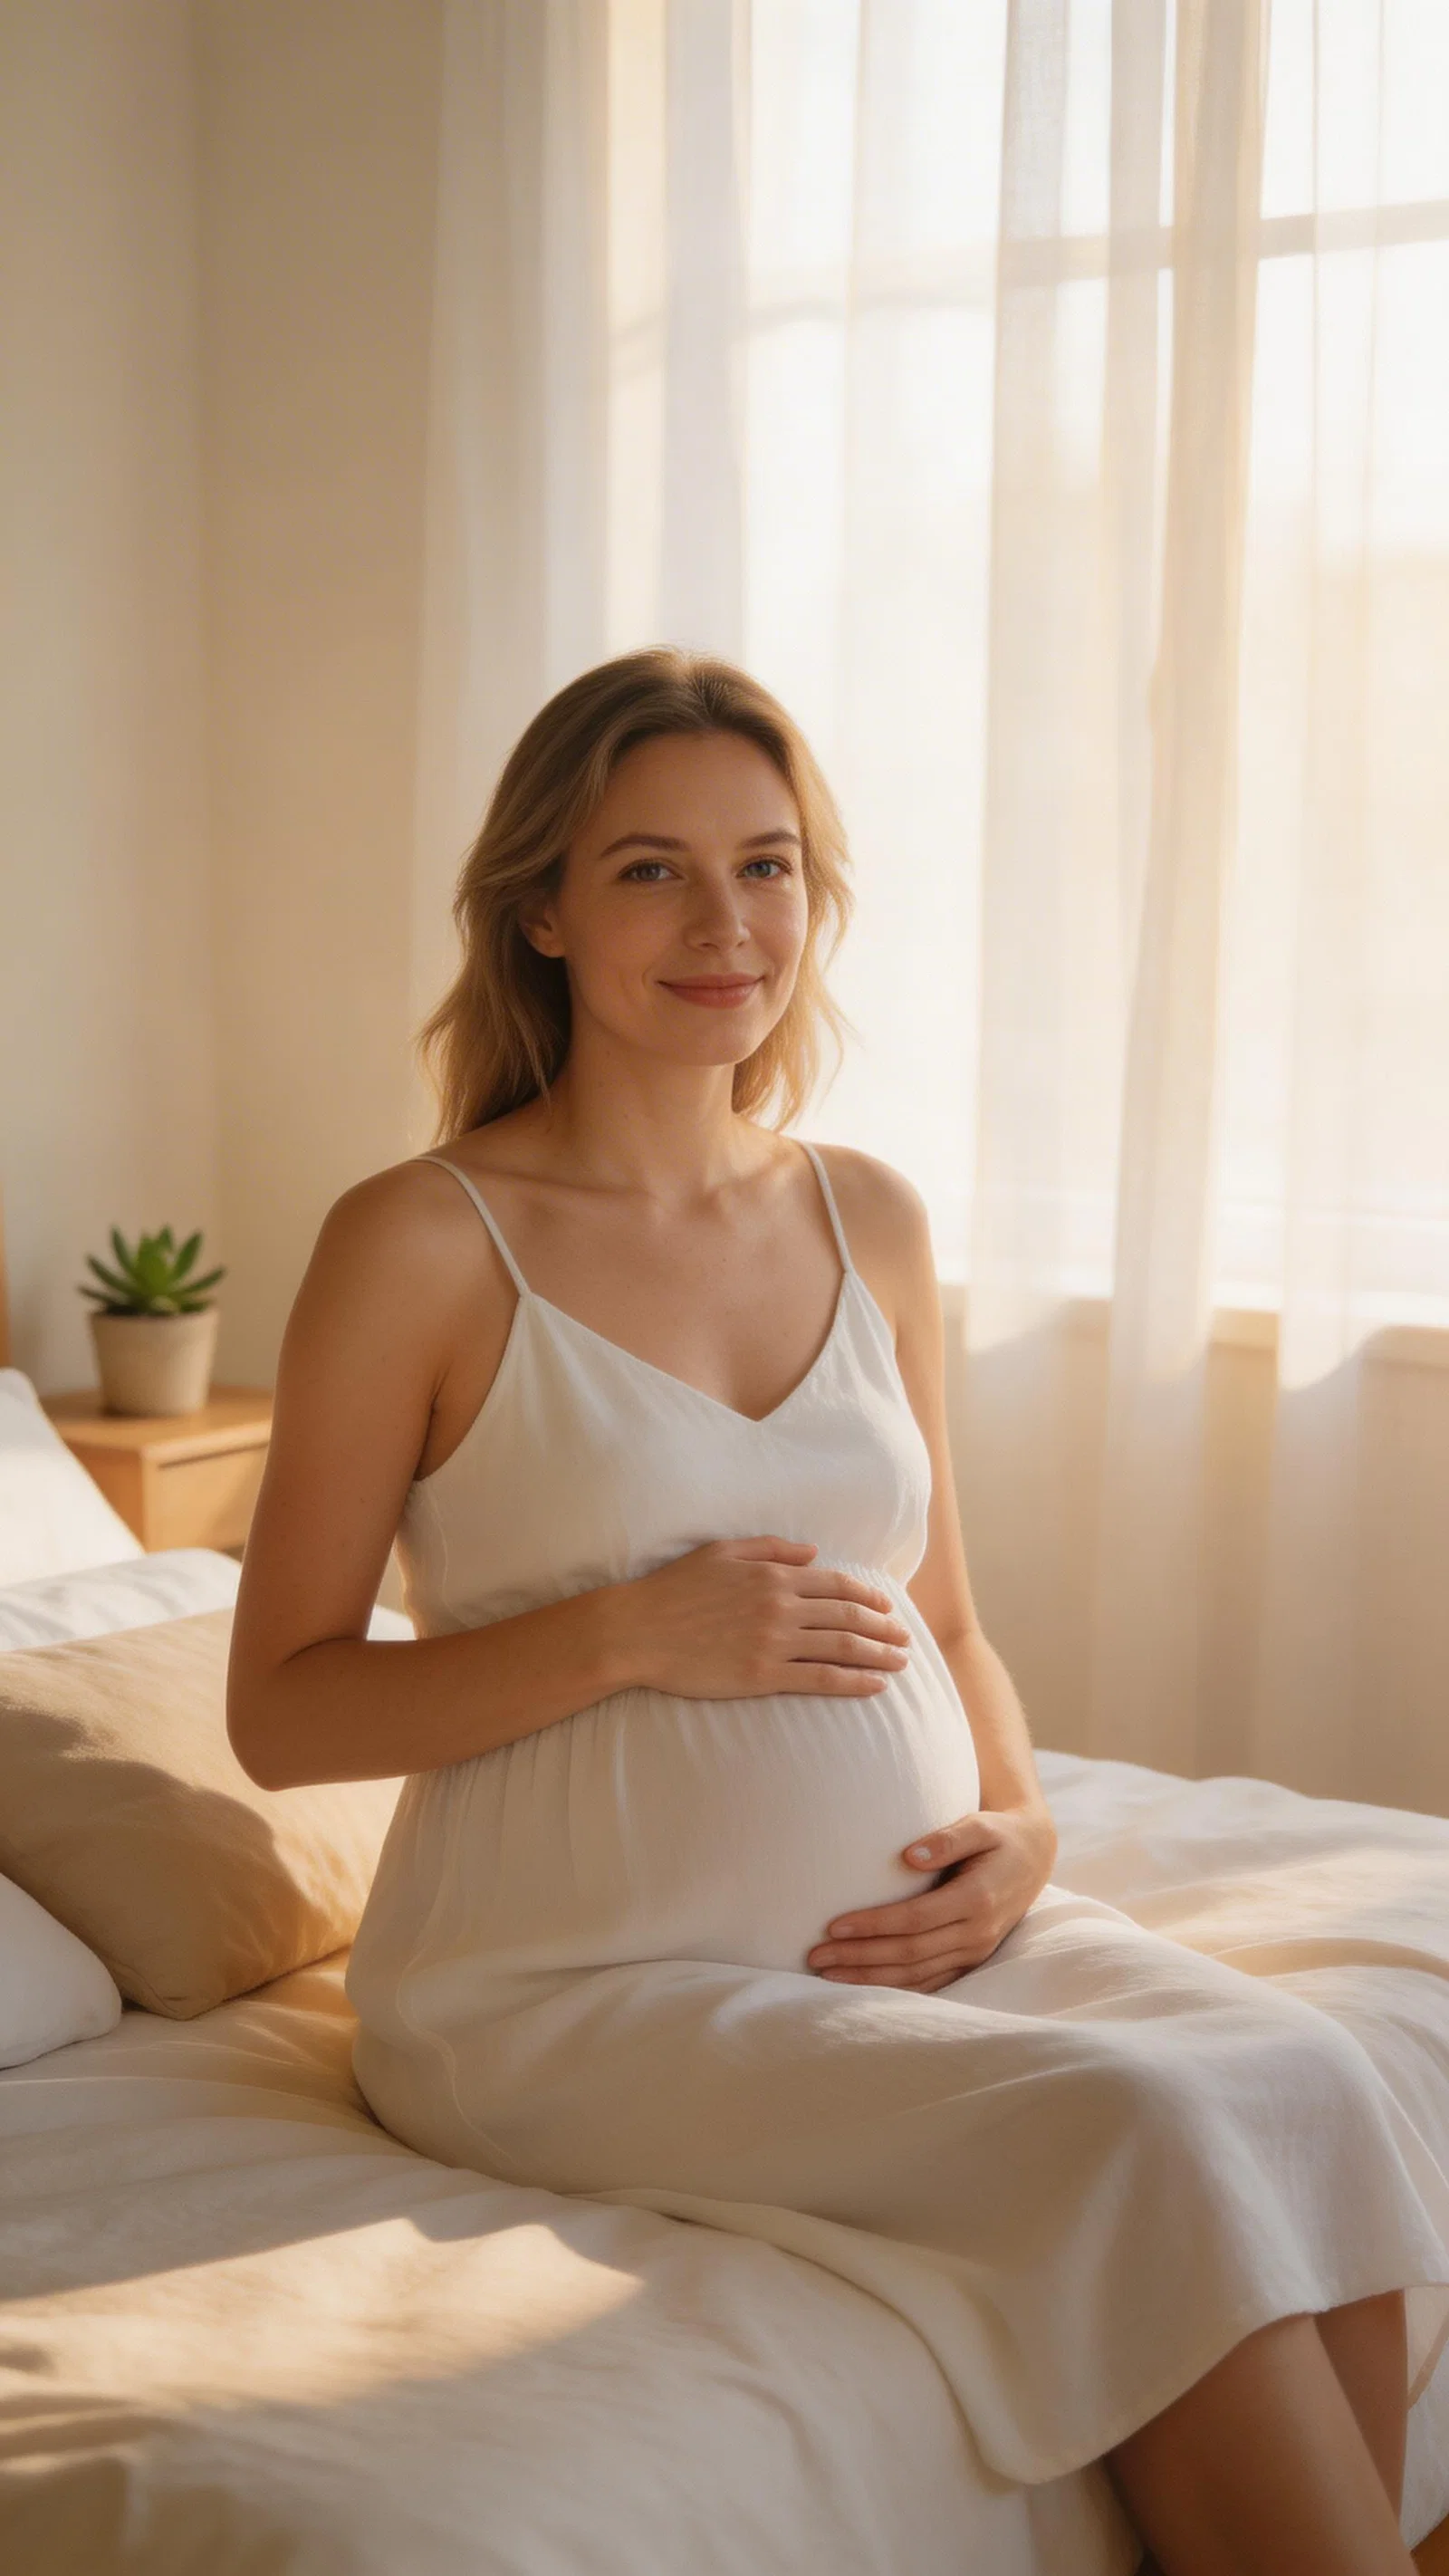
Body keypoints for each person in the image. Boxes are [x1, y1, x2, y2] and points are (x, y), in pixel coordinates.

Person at [228, 648, 1448, 2576]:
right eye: (648, 871)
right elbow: (282, 1711)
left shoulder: (861, 1211)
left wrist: (1024, 1832)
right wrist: (633, 1632)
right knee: (1133, 2135)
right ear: (539, 906)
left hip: (901, 1943)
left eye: (768, 865)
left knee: (1303, 2086)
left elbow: (945, 1620)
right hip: (562, 1991)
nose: (725, 924)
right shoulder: (419, 1240)